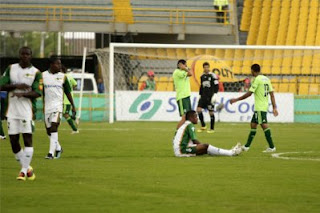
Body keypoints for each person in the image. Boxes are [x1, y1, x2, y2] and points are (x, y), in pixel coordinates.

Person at [0, 46, 42, 180]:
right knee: (13, 141)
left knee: (27, 139)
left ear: (31, 56)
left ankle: (23, 172)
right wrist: (16, 86)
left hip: (27, 112)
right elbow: (1, 85)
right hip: (11, 111)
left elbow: (37, 92)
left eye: (27, 54)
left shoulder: (36, 73)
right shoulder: (11, 68)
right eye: (23, 54)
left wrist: (23, 94)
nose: (25, 56)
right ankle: (28, 168)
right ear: (19, 55)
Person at [230, 64, 278, 153]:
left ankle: (272, 147)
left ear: (253, 70)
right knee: (253, 124)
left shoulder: (257, 79)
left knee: (264, 125)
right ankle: (247, 146)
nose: (250, 72)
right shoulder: (267, 79)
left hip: (260, 107)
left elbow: (249, 93)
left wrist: (236, 99)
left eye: (251, 70)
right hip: (263, 106)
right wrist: (274, 107)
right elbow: (272, 95)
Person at [43, 56, 76, 159]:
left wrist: (73, 106)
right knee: (48, 131)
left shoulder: (63, 77)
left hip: (58, 106)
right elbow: (40, 91)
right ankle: (58, 147)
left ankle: (50, 153)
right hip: (47, 107)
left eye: (60, 64)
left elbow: (68, 92)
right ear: (52, 64)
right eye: (58, 64)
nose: (60, 66)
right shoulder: (43, 76)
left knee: (54, 127)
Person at [173, 110, 242, 157]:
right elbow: (194, 140)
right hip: (182, 150)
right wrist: (203, 146)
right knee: (206, 146)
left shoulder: (185, 124)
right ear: (191, 118)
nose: (197, 118)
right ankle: (230, 153)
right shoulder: (189, 125)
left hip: (179, 149)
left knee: (205, 150)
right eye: (195, 116)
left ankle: (228, 152)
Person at [197, 62, 219, 134]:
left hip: (210, 96)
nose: (206, 68)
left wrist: (215, 94)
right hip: (203, 96)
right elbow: (201, 86)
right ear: (203, 68)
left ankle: (212, 128)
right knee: (199, 110)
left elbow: (216, 85)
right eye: (205, 67)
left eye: (207, 67)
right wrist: (200, 95)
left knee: (211, 112)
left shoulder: (213, 75)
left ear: (209, 67)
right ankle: (203, 126)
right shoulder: (202, 76)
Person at [61, 65, 79, 134]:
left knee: (65, 114)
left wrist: (66, 89)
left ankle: (75, 129)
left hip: (65, 98)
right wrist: (70, 89)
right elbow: (75, 84)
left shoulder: (62, 77)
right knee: (64, 113)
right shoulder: (69, 76)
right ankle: (75, 119)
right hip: (69, 97)